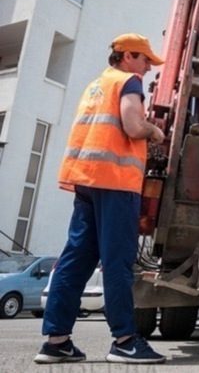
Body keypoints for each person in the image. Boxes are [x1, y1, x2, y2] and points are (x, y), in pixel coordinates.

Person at [35, 33, 167, 364]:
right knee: (117, 261)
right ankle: (124, 341)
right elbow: (133, 125)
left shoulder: (96, 86)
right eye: (145, 59)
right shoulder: (129, 82)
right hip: (116, 182)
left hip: (88, 181)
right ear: (127, 56)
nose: (148, 67)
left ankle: (56, 340)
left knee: (76, 259)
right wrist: (154, 131)